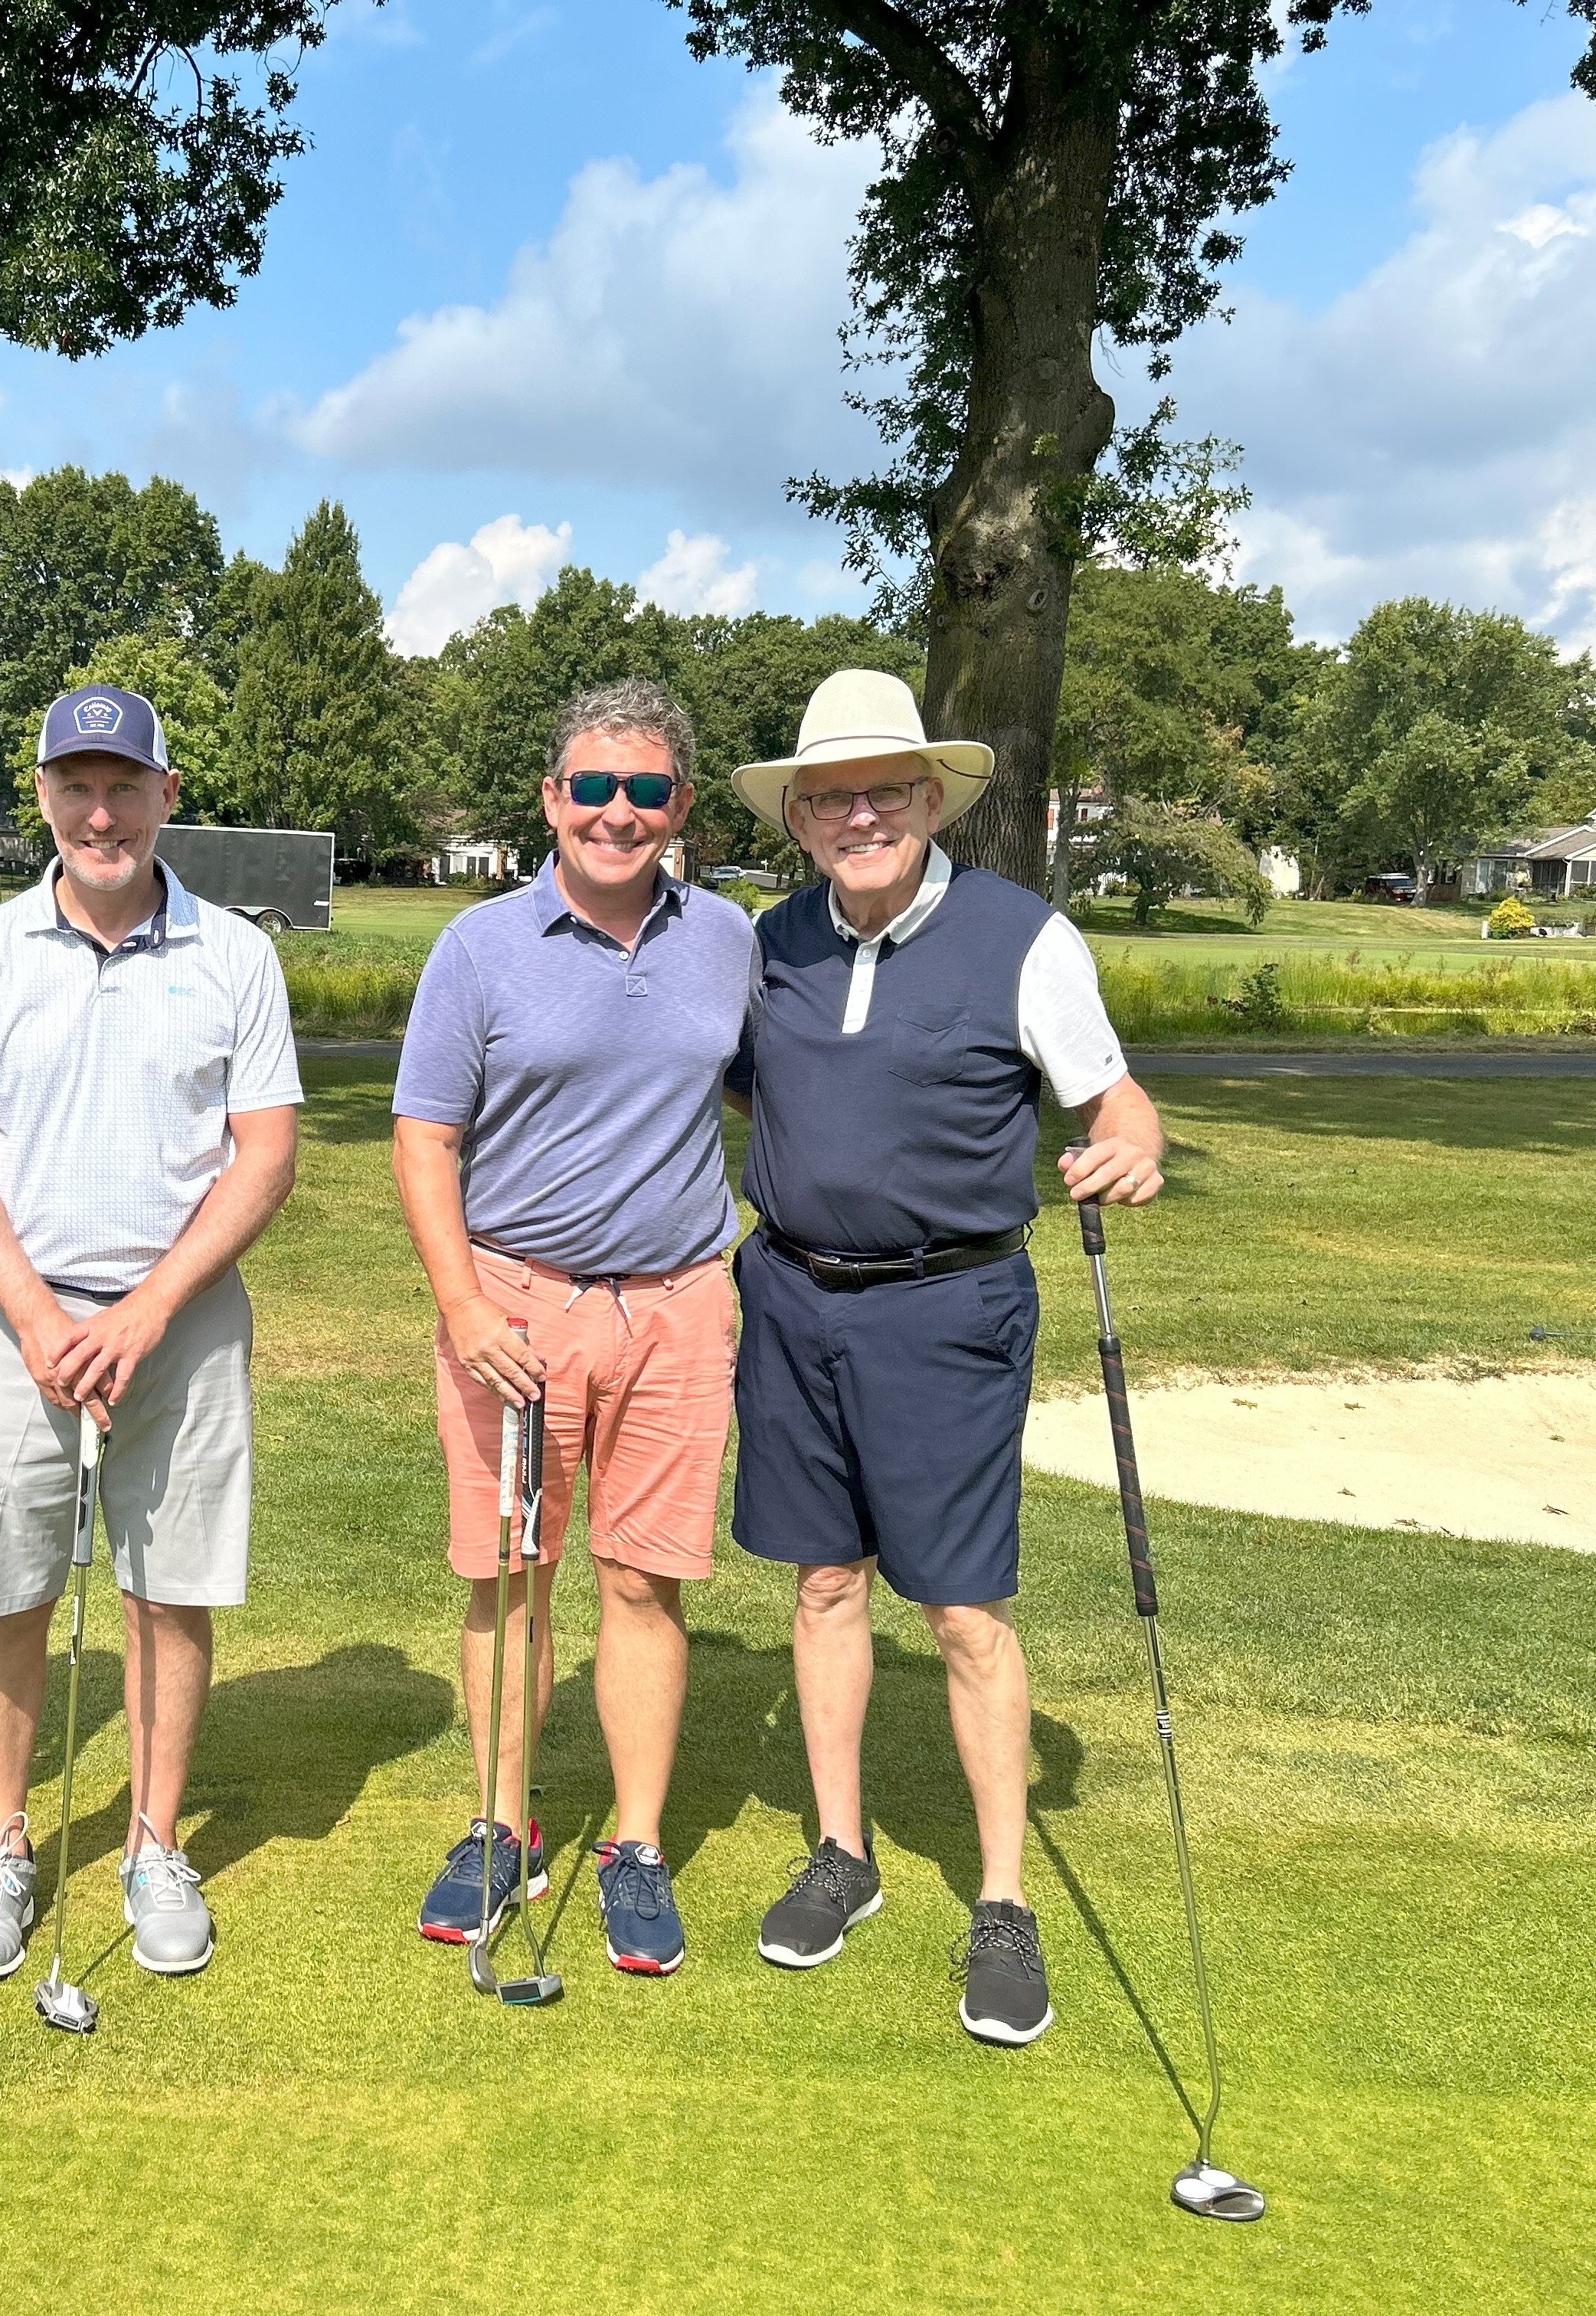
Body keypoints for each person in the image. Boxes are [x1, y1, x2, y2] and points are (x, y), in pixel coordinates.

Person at [726, 669, 1164, 2045]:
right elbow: (733, 1084)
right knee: (822, 1583)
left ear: (931, 801)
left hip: (949, 1310)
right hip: (790, 1296)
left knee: (965, 1613)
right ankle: (842, 1854)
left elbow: (1114, 1097)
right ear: (799, 820)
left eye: (886, 793)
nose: (860, 817)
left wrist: (1131, 1145)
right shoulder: (770, 943)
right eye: (831, 799)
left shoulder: (1024, 937)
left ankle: (1002, 1902)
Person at [0, 683, 302, 1985]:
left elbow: (265, 1155)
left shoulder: (236, 955)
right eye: (75, 786)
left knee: (167, 1587)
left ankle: (152, 1842)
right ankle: (1, 1846)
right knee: (5, 1585)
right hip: (17, 1317)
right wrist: (38, 1316)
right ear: (41, 796)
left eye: (124, 787)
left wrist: (147, 1310)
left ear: (165, 795)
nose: (100, 814)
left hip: (182, 1317)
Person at [391, 678, 751, 1977]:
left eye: (645, 788)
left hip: (678, 1308)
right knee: (510, 1577)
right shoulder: (479, 946)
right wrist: (463, 1301)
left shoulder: (730, 939)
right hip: (517, 1311)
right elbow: (423, 1136)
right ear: (551, 800)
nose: (617, 812)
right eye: (592, 786)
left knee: (644, 1581)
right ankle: (502, 1826)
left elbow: (783, 1086)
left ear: (680, 805)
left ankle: (636, 1845)